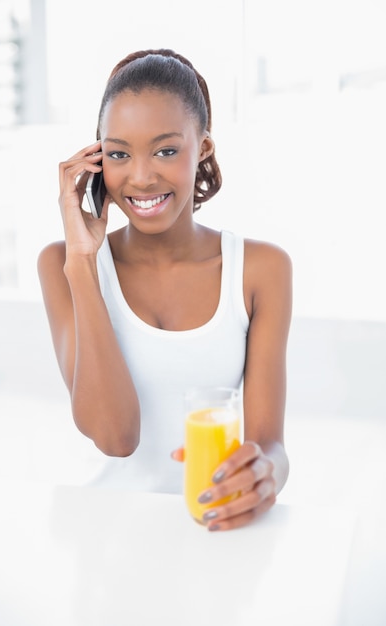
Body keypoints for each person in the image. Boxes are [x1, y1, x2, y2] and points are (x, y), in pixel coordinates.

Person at [37, 49, 292, 531]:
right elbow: (116, 437)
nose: (141, 176)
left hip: (212, 528)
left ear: (204, 150)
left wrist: (264, 476)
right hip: (99, 534)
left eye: (166, 150)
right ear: (95, 162)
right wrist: (83, 262)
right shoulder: (63, 264)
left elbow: (269, 447)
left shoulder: (260, 270)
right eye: (118, 154)